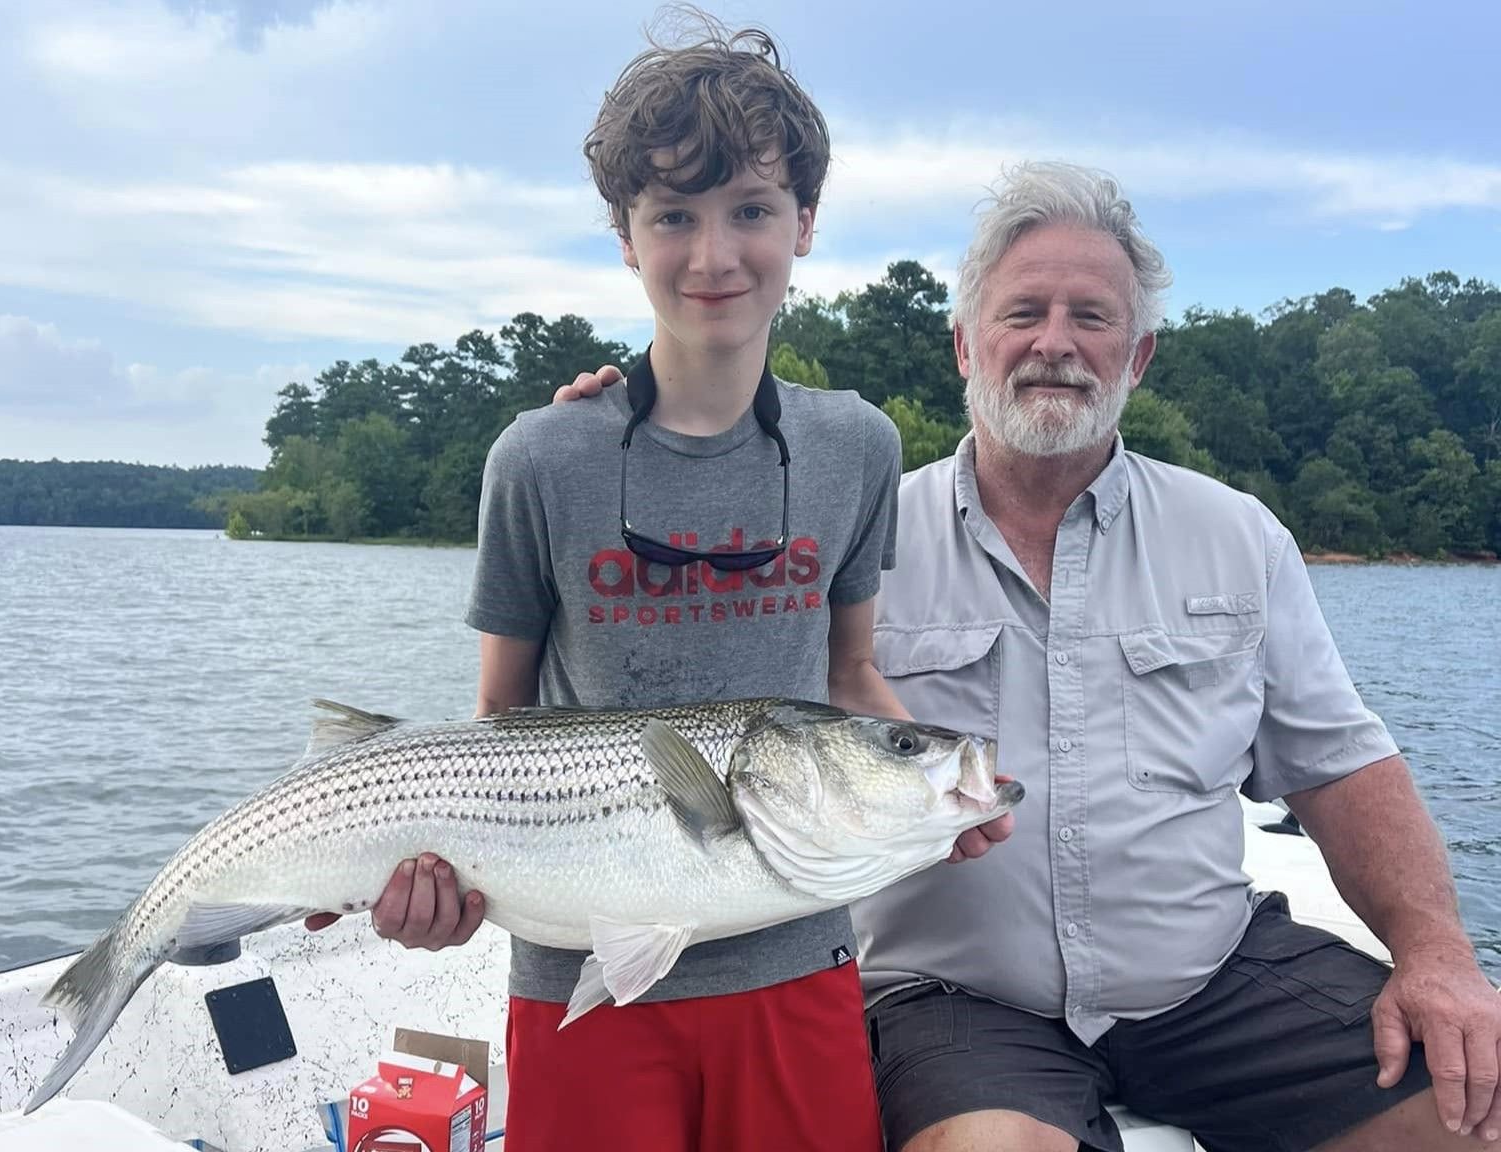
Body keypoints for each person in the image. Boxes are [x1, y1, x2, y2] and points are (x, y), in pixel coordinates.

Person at [558, 160, 1501, 1152]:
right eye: (1023, 314)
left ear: (1137, 357)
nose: (1055, 344)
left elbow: (1339, 766)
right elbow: (666, 675)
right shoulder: (836, 538)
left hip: (1217, 978)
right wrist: (611, 466)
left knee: (1476, 1111)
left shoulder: (1238, 536)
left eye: (1091, 318)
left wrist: (1437, 952)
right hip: (954, 1004)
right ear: (966, 344)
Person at [308, 15, 995, 1152]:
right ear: (626, 237)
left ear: (806, 225)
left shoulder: (859, 446)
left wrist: (925, 787)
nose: (713, 256)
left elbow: (853, 670)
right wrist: (440, 884)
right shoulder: (542, 456)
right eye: (672, 215)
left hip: (798, 960)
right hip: (582, 974)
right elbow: (501, 725)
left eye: (752, 211)